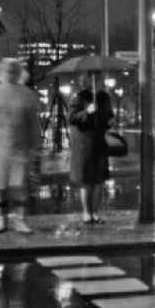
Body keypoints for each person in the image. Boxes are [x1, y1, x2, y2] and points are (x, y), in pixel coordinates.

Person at [0, 58, 41, 234]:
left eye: (13, 71)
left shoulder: (27, 95)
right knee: (0, 186)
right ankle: (2, 219)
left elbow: (34, 122)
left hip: (20, 147)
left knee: (19, 186)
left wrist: (35, 143)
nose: (10, 74)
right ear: (1, 73)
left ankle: (19, 219)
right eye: (7, 71)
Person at [68, 74, 114, 224]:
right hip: (85, 143)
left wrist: (110, 120)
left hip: (99, 141)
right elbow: (72, 118)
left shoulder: (104, 97)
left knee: (99, 180)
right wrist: (87, 112)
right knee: (87, 180)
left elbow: (109, 116)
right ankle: (86, 213)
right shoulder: (79, 97)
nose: (99, 82)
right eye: (96, 80)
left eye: (99, 79)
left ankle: (95, 213)